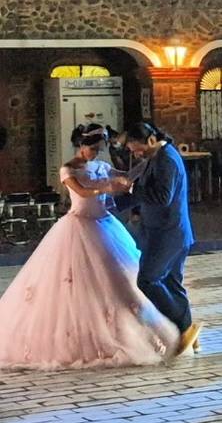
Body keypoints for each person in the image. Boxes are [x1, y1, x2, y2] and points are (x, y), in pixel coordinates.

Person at [0, 124, 179, 369]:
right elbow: (82, 192)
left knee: (121, 279)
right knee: (74, 282)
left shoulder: (102, 167)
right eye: (91, 149)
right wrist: (107, 187)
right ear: (81, 146)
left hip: (105, 226)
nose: (95, 153)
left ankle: (137, 328)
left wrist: (145, 164)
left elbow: (127, 176)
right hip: (78, 227)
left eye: (98, 149)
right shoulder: (68, 169)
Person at [121, 122, 201, 355]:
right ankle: (189, 337)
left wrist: (130, 189)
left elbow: (162, 197)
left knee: (148, 279)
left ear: (151, 140)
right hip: (168, 231)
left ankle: (184, 327)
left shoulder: (166, 160)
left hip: (168, 232)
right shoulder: (157, 157)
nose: (135, 153)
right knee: (171, 282)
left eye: (136, 148)